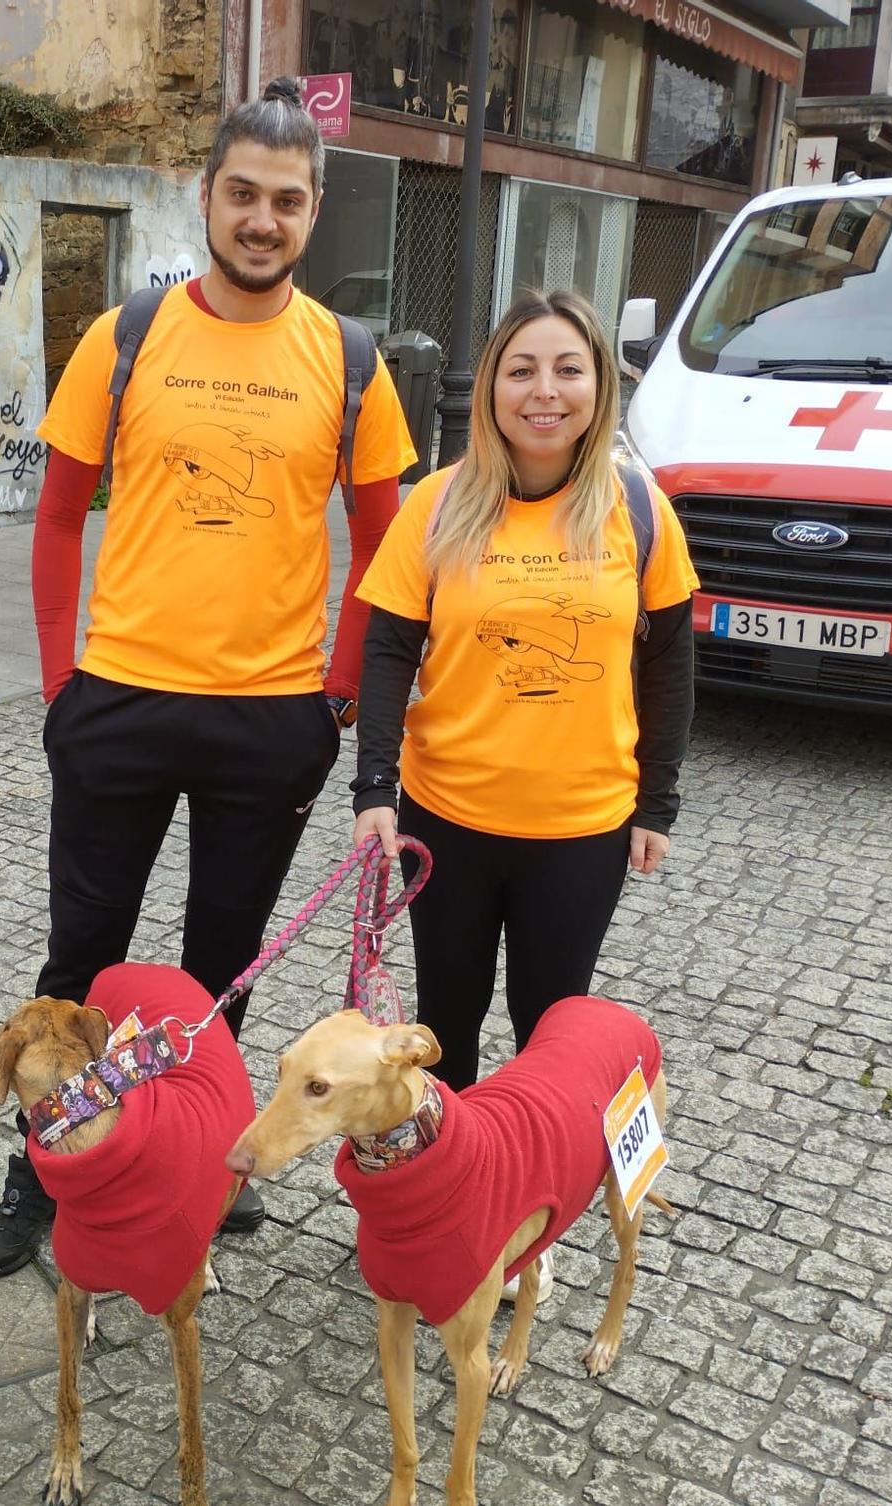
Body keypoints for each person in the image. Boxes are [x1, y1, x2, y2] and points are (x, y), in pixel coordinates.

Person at [0, 76, 418, 1279]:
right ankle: (44, 1168)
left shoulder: (348, 359)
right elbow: (57, 519)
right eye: (240, 194)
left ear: (313, 210)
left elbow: (386, 550)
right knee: (82, 959)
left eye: (285, 200)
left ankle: (200, 1161)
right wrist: (64, 684)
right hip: (116, 703)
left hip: (267, 723)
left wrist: (331, 695)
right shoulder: (125, 337)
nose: (260, 218)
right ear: (203, 196)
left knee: (221, 974)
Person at [349, 286, 698, 1091]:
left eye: (568, 369)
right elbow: (389, 649)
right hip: (449, 820)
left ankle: (529, 1193)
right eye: (522, 370)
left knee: (550, 1029)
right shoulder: (437, 504)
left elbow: (671, 664)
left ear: (599, 386)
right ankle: (452, 1191)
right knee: (447, 1024)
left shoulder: (636, 510)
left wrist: (658, 803)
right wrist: (374, 786)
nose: (545, 391)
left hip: (582, 830)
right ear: (492, 390)